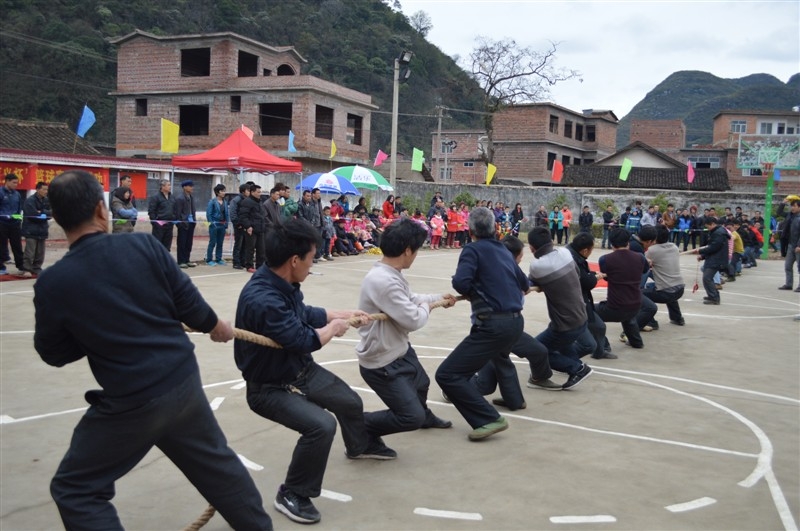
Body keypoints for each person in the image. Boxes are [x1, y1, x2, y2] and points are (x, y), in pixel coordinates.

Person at [33, 170, 273, 531]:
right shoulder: (142, 246)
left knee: (75, 489)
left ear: (55, 217)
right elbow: (191, 306)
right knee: (219, 471)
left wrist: (93, 330)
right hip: (182, 382)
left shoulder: (53, 283)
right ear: (103, 210)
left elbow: (54, 353)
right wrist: (216, 326)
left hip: (132, 400)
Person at [234, 219, 395, 525]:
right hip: (269, 387)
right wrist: (335, 328)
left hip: (299, 369)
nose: (312, 263)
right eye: (311, 257)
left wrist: (341, 313)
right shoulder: (264, 298)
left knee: (349, 401)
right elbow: (303, 338)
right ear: (294, 260)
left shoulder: (283, 282)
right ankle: (293, 493)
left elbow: (303, 314)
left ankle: (359, 445)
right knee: (320, 426)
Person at [435, 207, 530, 441]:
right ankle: (507, 398)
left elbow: (461, 282)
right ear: (495, 228)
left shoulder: (472, 250)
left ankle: (489, 418)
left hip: (493, 325)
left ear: (470, 230)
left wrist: (477, 290)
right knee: (483, 363)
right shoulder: (503, 249)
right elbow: (525, 284)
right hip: (515, 323)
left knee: (447, 374)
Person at [356, 218, 455, 441]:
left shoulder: (391, 273)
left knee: (422, 383)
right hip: (382, 361)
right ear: (408, 251)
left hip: (398, 349)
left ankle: (425, 416)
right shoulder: (383, 281)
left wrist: (438, 298)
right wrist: (427, 306)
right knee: (411, 417)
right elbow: (413, 319)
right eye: (417, 250)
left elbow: (411, 299)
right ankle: (360, 426)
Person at [471, 235, 561, 410]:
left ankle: (535, 381)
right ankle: (455, 390)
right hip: (490, 328)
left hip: (509, 326)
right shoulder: (495, 272)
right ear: (513, 256)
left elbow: (526, 283)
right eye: (521, 255)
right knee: (488, 381)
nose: (522, 258)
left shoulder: (511, 269)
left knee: (538, 351)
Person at [527, 227, 595, 387]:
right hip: (581, 316)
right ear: (551, 241)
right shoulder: (565, 253)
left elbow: (531, 282)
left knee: (535, 350)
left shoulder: (537, 266)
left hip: (565, 325)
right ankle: (544, 375)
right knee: (563, 345)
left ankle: (577, 368)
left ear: (531, 248)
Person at [596, 228, 654, 348]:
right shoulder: (640, 257)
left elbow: (607, 277)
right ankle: (636, 341)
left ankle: (603, 345)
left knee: (586, 312)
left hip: (615, 306)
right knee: (628, 312)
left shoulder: (605, 259)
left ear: (612, 244)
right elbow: (644, 270)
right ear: (628, 242)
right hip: (636, 304)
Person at [568, 233, 616, 360]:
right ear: (585, 250)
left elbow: (585, 276)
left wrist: (592, 274)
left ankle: (599, 351)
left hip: (581, 301)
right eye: (591, 249)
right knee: (586, 342)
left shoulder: (573, 254)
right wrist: (594, 278)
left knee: (598, 326)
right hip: (575, 303)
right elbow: (586, 282)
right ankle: (564, 359)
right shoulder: (575, 260)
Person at [640, 225, 685, 327]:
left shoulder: (652, 250)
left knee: (637, 294)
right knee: (667, 285)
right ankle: (677, 318)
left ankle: (650, 322)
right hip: (679, 289)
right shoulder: (674, 247)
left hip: (665, 293)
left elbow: (642, 264)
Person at [695, 217, 730, 304]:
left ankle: (714, 298)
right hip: (713, 258)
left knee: (707, 278)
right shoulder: (717, 232)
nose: (708, 228)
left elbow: (713, 247)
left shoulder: (719, 233)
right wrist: (702, 256)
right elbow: (712, 247)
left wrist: (701, 251)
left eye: (708, 226)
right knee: (708, 278)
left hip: (716, 259)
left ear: (713, 224)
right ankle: (712, 295)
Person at [20, 181, 50, 277]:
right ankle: (27, 269)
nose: (46, 191)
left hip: (42, 229)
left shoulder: (47, 200)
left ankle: (37, 268)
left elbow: (51, 212)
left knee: (40, 252)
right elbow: (32, 214)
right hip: (31, 229)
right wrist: (43, 214)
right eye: (44, 189)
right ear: (37, 189)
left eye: (47, 190)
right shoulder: (30, 200)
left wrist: (41, 212)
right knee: (30, 251)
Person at [239, 184, 267, 273]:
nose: (260, 194)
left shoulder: (260, 201)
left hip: (260, 228)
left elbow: (262, 214)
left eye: (260, 192)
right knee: (250, 248)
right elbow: (243, 216)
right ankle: (249, 265)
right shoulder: (247, 202)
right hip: (251, 229)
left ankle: (260, 266)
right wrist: (248, 226)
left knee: (261, 249)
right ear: (252, 192)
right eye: (258, 192)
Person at [0, 173, 24, 274]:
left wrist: (18, 218)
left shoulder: (17, 194)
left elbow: (19, 209)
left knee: (17, 245)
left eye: (17, 183)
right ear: (7, 181)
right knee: (1, 245)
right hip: (2, 223)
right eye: (14, 183)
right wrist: (4, 215)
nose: (15, 185)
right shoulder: (0, 192)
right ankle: (1, 267)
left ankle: (21, 266)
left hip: (14, 224)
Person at [777, 199, 800, 291]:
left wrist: (799, 245)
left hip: (798, 246)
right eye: (791, 206)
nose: (792, 208)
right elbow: (779, 212)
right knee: (788, 266)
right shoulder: (790, 216)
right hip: (790, 245)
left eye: (794, 206)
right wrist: (783, 203)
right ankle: (788, 284)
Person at [147, 179, 176, 252]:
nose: (170, 187)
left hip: (169, 224)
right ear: (162, 186)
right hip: (159, 225)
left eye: (170, 185)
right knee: (157, 245)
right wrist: (155, 223)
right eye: (168, 185)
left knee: (167, 245)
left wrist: (174, 218)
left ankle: (165, 262)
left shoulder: (172, 197)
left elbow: (175, 209)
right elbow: (151, 211)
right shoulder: (156, 197)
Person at [174, 180, 197, 268]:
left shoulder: (191, 197)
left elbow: (193, 210)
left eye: (192, 186)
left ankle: (187, 260)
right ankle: (181, 261)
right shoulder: (180, 198)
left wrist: (194, 220)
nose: (192, 188)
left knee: (189, 243)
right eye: (190, 186)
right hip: (183, 223)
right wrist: (180, 223)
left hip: (191, 223)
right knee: (182, 243)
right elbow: (178, 213)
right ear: (184, 187)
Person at [205, 183, 228, 266]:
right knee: (212, 242)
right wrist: (212, 223)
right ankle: (209, 259)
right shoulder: (212, 202)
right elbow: (209, 214)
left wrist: (226, 223)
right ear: (218, 192)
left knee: (220, 243)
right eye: (222, 191)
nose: (224, 193)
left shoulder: (225, 202)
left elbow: (226, 214)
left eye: (224, 191)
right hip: (214, 224)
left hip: (222, 225)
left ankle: (218, 258)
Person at [229, 182, 251, 269]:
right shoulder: (236, 200)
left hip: (245, 225)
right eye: (248, 190)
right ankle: (236, 262)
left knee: (245, 244)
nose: (249, 192)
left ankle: (243, 261)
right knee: (238, 244)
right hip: (239, 225)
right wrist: (237, 223)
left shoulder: (247, 200)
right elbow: (233, 213)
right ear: (243, 191)